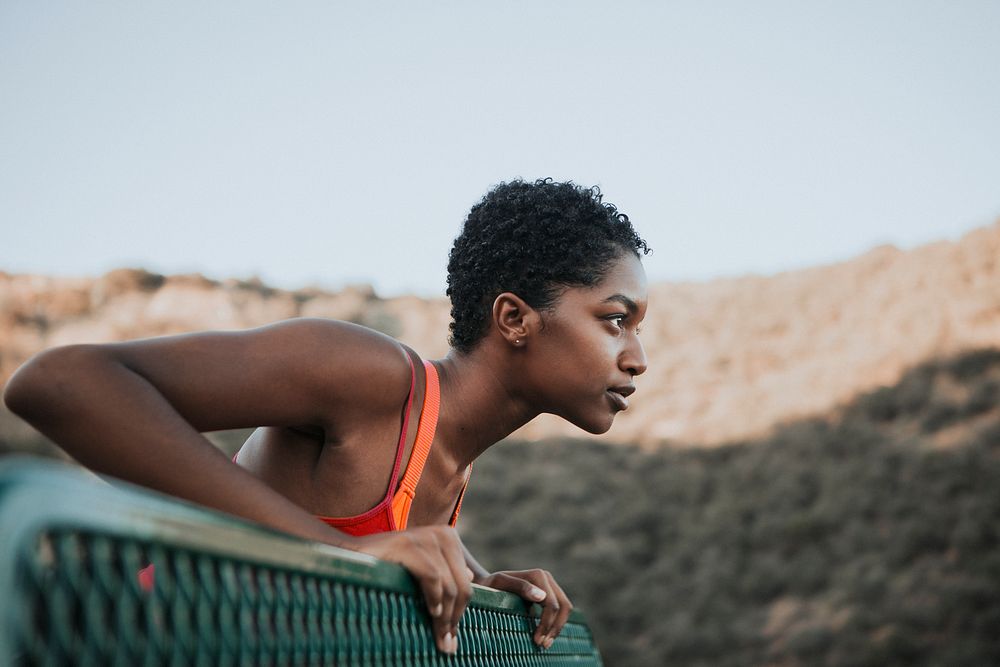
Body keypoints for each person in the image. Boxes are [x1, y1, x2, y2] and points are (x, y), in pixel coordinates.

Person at [3, 178, 649, 655]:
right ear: (514, 319)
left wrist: (485, 589)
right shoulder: (371, 376)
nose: (638, 357)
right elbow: (59, 384)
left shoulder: (451, 465)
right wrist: (348, 556)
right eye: (617, 319)